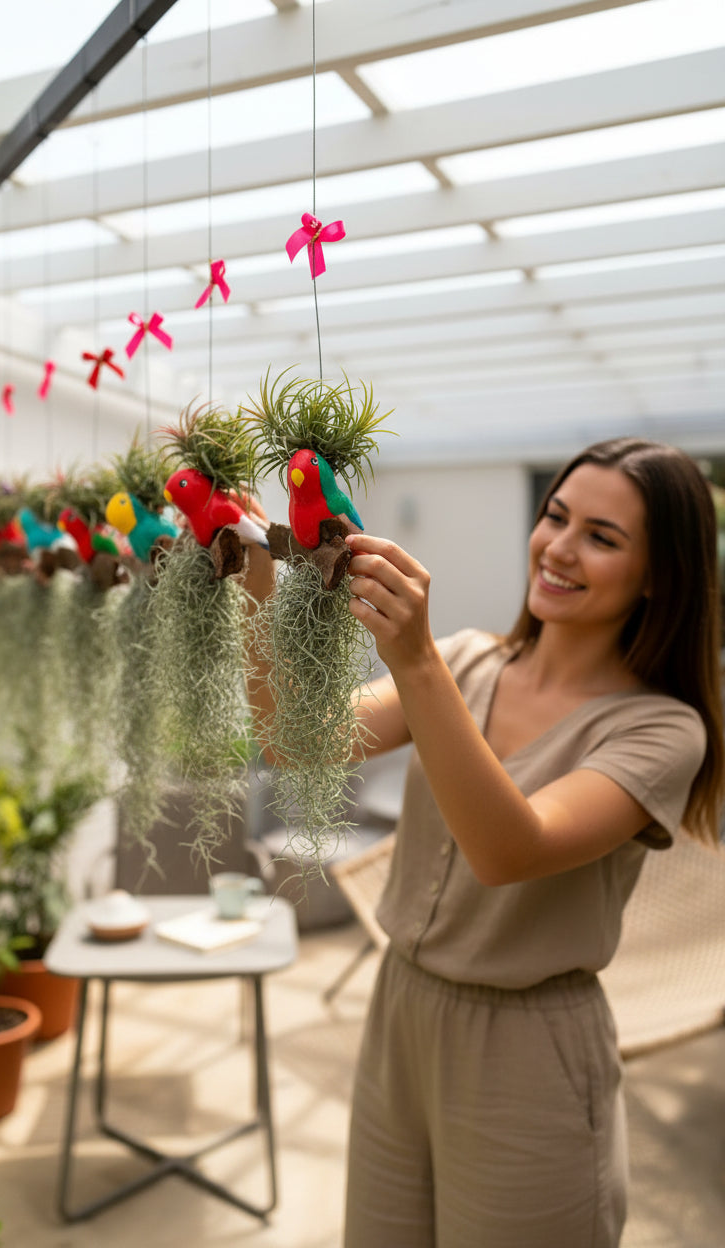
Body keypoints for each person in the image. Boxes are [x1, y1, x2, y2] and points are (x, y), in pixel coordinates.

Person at [242, 437, 724, 1248]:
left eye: (602, 538)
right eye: (556, 516)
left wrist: (417, 661)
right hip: (399, 1013)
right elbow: (294, 739)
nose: (560, 547)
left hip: (528, 1048)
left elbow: (509, 852)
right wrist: (255, 582)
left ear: (661, 577)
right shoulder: (471, 660)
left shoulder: (660, 730)